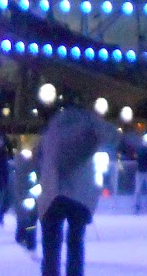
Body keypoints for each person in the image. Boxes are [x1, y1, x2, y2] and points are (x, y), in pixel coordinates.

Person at [35, 102, 120, 276]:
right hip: (78, 195)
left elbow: (39, 158)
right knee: (75, 243)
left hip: (52, 193)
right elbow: (112, 136)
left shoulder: (52, 129)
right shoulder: (88, 126)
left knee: (51, 245)